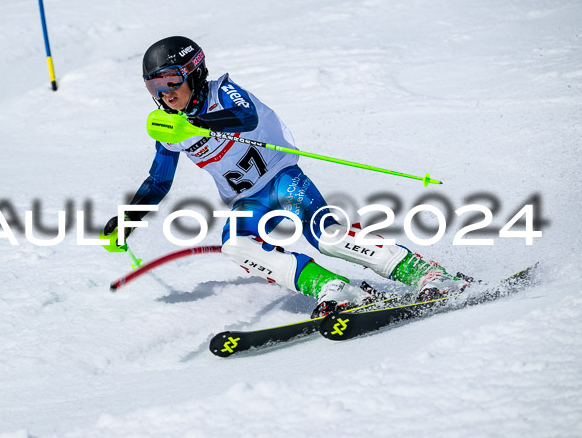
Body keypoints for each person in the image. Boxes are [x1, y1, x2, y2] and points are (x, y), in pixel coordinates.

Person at [103, 36, 470, 317]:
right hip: (248, 200)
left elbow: (245, 117)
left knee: (325, 236)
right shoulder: (169, 129)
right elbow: (158, 182)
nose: (165, 94)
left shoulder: (222, 92)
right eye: (155, 87)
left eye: (171, 81)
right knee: (236, 245)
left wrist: (194, 125)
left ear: (195, 73)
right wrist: (127, 221)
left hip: (282, 179)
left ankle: (427, 274)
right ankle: (334, 288)